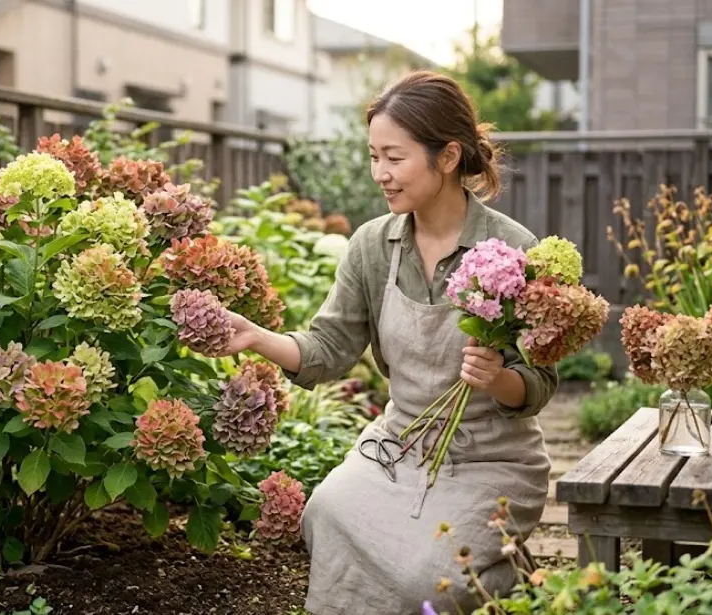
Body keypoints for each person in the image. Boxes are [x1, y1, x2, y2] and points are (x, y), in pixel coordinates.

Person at [221, 71, 557, 614]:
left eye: (394, 158)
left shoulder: (514, 248)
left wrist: (497, 378)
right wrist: (258, 337)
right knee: (324, 514)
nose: (381, 173)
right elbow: (329, 345)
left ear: (447, 157)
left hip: (492, 457)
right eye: (373, 156)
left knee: (427, 582)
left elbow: (540, 382)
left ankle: (505, 583)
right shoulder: (372, 246)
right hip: (400, 444)